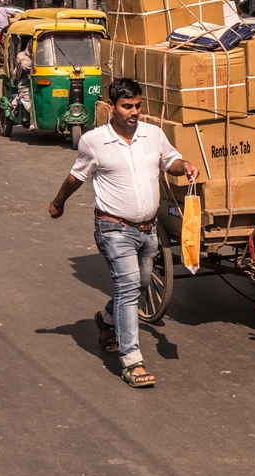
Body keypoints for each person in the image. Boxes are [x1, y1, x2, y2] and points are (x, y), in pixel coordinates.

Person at [49, 78, 199, 388]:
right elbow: (76, 177)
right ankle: (132, 361)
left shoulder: (153, 135)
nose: (134, 112)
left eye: (137, 105)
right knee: (130, 285)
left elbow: (169, 160)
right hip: (113, 228)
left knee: (140, 284)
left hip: (148, 230)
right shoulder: (93, 141)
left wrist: (184, 166)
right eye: (127, 106)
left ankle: (105, 320)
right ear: (111, 107)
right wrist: (58, 202)